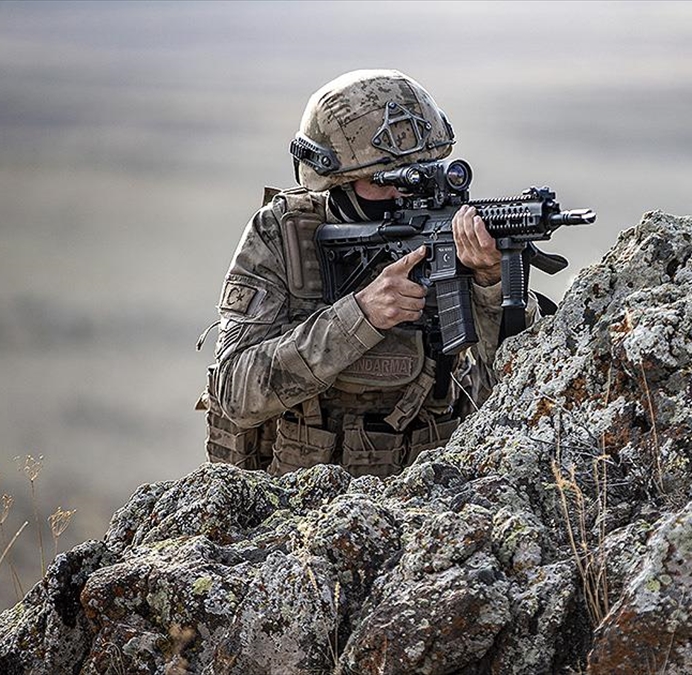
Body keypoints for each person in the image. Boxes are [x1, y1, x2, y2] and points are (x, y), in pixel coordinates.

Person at [198, 69, 534, 477]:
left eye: (421, 172)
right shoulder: (284, 234)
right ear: (334, 182)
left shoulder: (451, 230)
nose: (403, 193)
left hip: (428, 482)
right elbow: (236, 391)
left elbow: (517, 383)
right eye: (383, 179)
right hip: (298, 486)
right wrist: (361, 315)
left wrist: (490, 283)